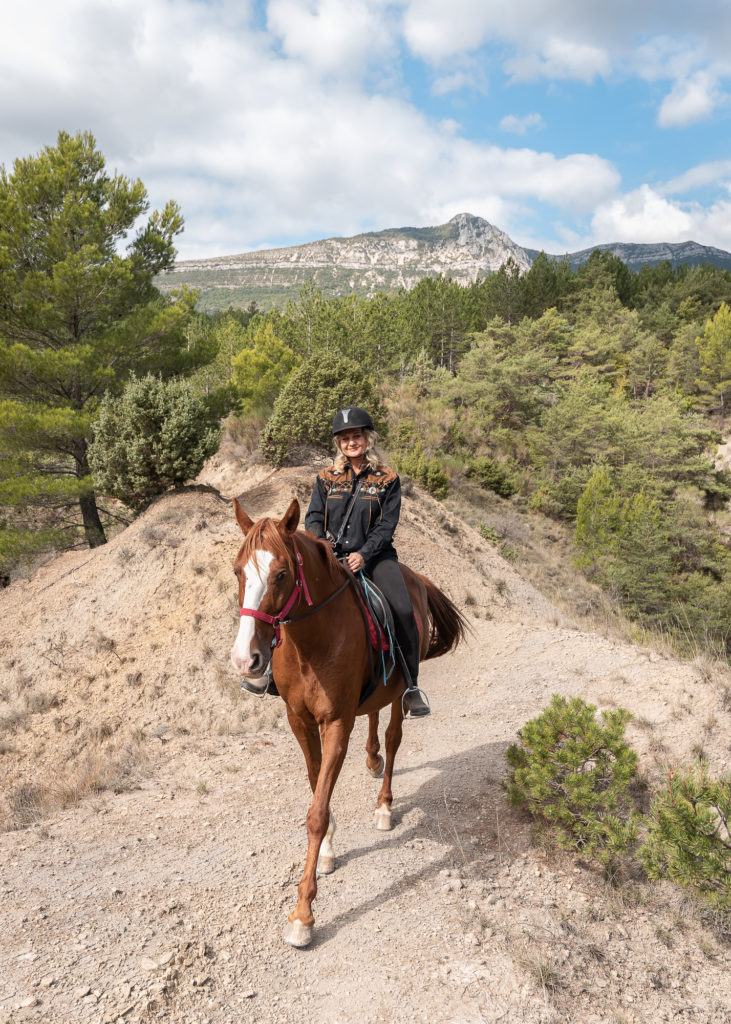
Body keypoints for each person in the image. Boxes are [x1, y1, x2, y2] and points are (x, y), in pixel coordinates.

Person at [304, 406, 430, 717]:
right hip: (332, 559)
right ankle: (271, 674)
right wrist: (323, 551)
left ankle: (411, 686)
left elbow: (387, 525)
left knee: (402, 609)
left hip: (375, 558)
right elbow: (314, 517)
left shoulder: (387, 478)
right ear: (339, 443)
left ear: (367, 438)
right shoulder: (326, 478)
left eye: (356, 436)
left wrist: (364, 554)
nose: (351, 442)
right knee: (289, 595)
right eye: (345, 438)